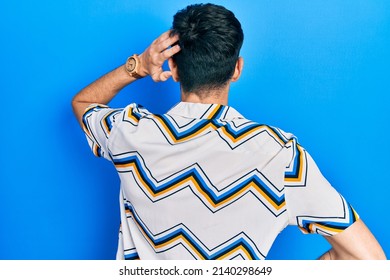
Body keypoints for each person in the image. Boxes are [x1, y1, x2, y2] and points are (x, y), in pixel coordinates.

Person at [71, 3, 386, 260]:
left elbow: (83, 102)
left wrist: (139, 65)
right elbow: (368, 260)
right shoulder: (280, 155)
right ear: (237, 69)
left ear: (175, 68)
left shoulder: (130, 132)